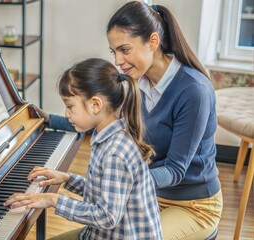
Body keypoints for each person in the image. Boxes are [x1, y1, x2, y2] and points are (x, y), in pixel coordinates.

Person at [33, 2, 223, 239]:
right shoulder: (135, 83)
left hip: (191, 206)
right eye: (114, 52)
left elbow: (175, 170)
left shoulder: (194, 90)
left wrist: (121, 182)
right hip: (147, 196)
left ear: (153, 42)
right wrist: (48, 119)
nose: (118, 61)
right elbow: (99, 116)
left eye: (125, 50)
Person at [4, 58, 162, 239]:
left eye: (70, 106)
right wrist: (67, 178)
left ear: (95, 105)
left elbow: (107, 217)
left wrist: (52, 200)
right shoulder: (108, 135)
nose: (66, 113)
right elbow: (102, 191)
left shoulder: (115, 153)